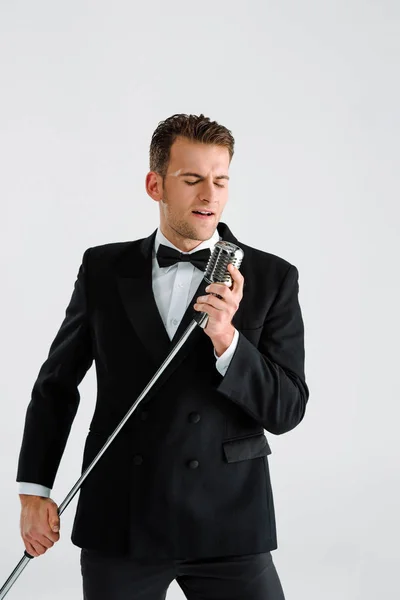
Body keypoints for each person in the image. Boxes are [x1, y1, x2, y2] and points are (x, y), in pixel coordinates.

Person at [16, 113, 309, 599]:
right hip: (122, 515)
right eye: (192, 179)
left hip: (230, 523)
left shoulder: (273, 277)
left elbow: (287, 410)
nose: (209, 195)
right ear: (156, 185)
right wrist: (34, 491)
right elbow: (56, 385)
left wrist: (226, 339)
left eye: (220, 180)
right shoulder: (103, 268)